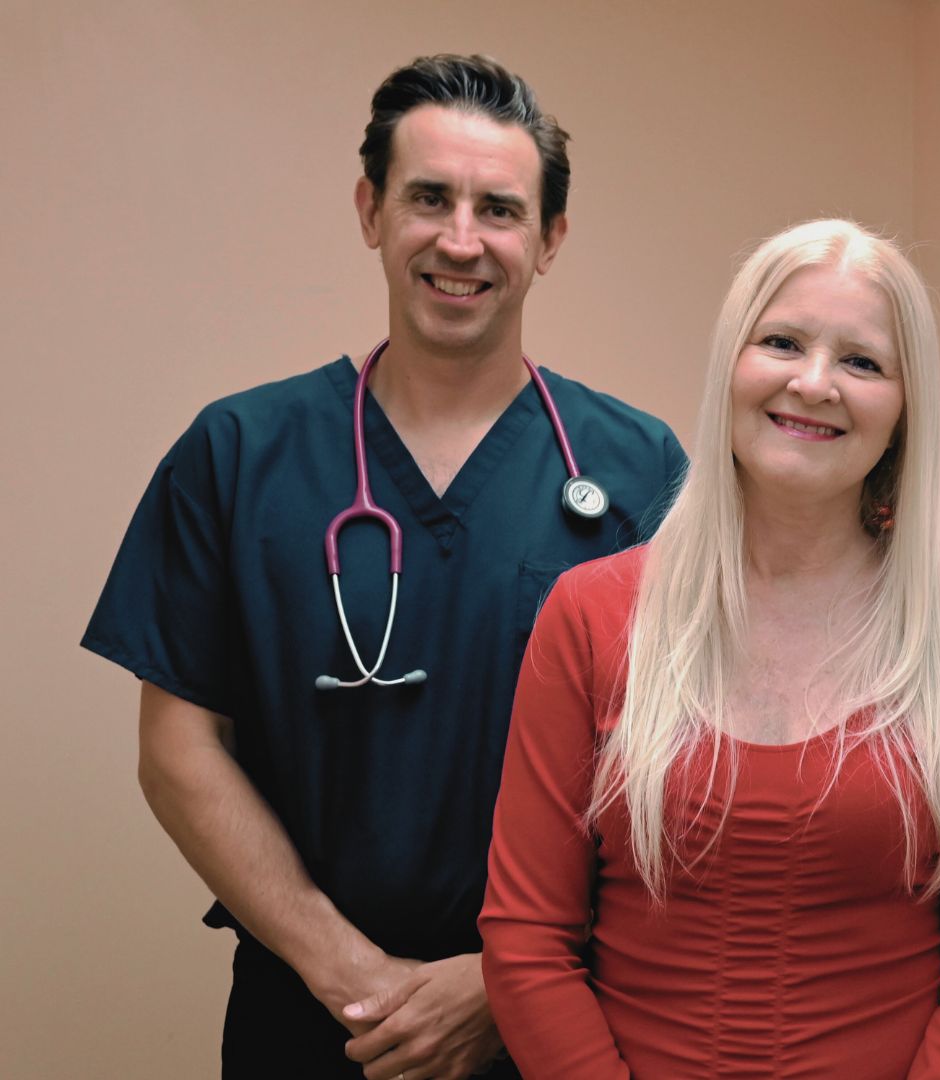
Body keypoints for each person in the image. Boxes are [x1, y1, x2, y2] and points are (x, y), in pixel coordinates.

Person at [80, 55, 684, 1079]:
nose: (462, 240)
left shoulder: (640, 470)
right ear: (371, 211)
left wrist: (504, 979)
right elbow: (179, 751)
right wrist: (352, 975)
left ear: (550, 240)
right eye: (428, 199)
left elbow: (685, 767)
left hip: (561, 1022)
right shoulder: (237, 454)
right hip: (313, 1021)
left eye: (500, 209)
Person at [480, 218, 940, 1078]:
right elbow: (527, 942)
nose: (814, 383)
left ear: (903, 409)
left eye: (861, 362)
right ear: (731, 369)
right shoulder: (590, 616)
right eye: (781, 342)